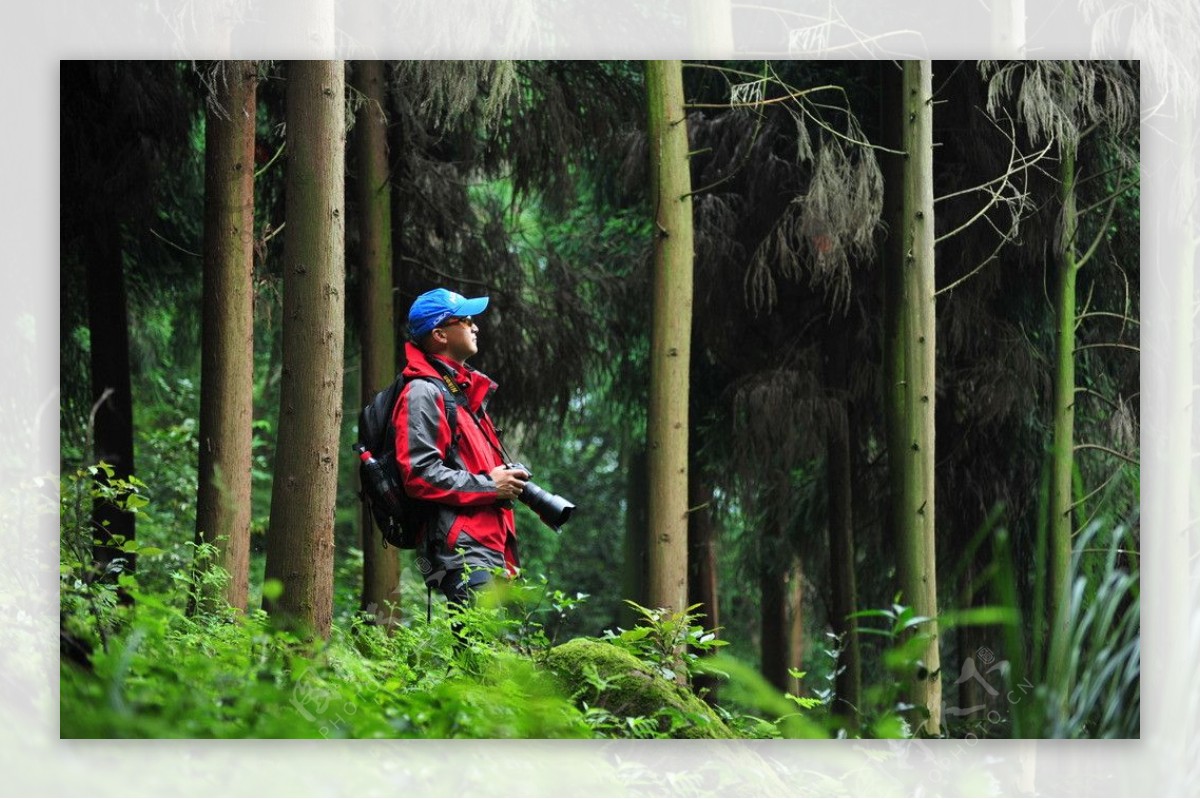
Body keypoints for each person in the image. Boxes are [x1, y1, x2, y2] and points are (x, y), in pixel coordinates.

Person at [393, 287, 529, 609]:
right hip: (464, 549)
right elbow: (418, 474)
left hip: (490, 542)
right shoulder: (423, 392)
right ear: (440, 333)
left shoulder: (463, 396)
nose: (475, 326)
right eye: (466, 320)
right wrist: (490, 485)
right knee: (478, 653)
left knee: (494, 655)